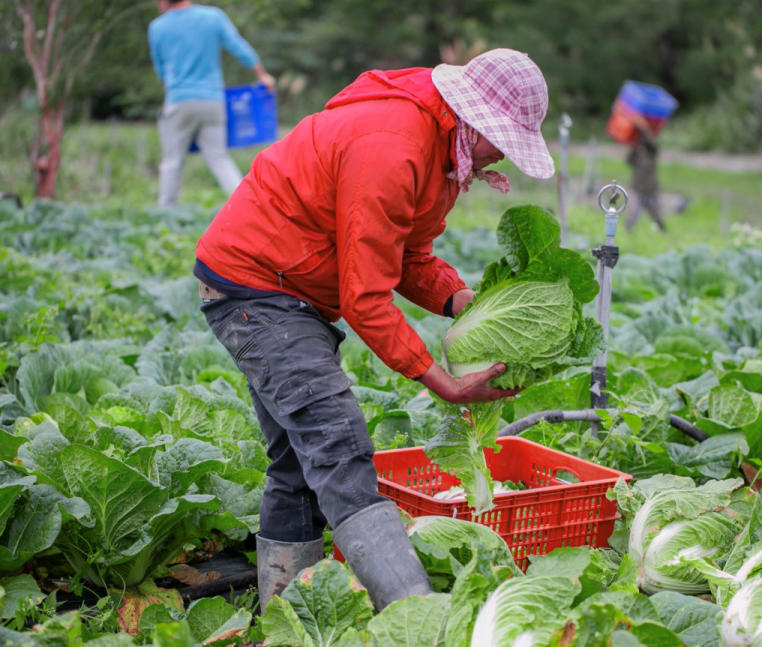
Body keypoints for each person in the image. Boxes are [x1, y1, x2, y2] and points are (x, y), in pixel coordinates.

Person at [194, 48, 555, 612]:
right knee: (337, 442)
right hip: (257, 286)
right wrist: (444, 382)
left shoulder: (441, 147)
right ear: (477, 120)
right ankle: (414, 614)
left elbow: (407, 254)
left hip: (290, 282)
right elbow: (364, 298)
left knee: (298, 459)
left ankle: (290, 614)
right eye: (504, 139)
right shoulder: (394, 145)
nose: (504, 154)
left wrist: (459, 299)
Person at [148, 0, 275, 207]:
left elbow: (160, 68)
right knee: (219, 158)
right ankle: (246, 206)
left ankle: (165, 213)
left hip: (178, 101)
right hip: (212, 100)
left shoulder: (157, 27)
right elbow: (238, 46)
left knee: (172, 161)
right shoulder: (212, 17)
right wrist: (262, 75)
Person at [625, 113, 665, 232]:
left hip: (651, 188)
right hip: (638, 187)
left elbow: (652, 143)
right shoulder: (637, 152)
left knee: (656, 214)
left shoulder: (651, 151)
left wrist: (644, 127)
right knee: (633, 214)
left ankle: (663, 231)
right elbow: (628, 160)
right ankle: (627, 232)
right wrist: (634, 143)